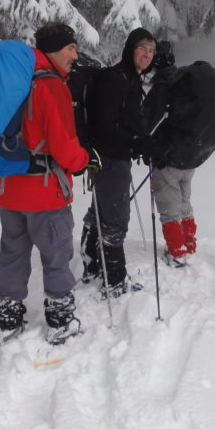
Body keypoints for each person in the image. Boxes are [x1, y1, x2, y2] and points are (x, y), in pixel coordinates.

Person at [0, 22, 94, 345]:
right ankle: (60, 320)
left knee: (12, 253)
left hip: (9, 187)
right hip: (45, 191)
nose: (75, 56)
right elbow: (63, 146)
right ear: (53, 50)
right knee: (56, 254)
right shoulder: (51, 87)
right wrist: (85, 159)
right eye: (70, 48)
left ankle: (7, 320)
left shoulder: (13, 79)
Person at [80, 27, 156, 295]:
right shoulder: (115, 79)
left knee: (100, 212)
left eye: (151, 50)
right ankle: (114, 281)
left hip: (115, 157)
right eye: (142, 48)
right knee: (115, 218)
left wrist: (141, 142)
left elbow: (127, 122)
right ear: (130, 49)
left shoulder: (132, 80)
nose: (147, 54)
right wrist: (136, 142)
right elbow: (105, 125)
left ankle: (91, 263)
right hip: (110, 159)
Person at [143, 40, 196, 266]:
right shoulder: (185, 82)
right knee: (184, 200)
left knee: (168, 205)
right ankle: (189, 244)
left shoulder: (162, 87)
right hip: (190, 157)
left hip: (167, 158)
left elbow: (146, 123)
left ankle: (177, 252)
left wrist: (143, 144)